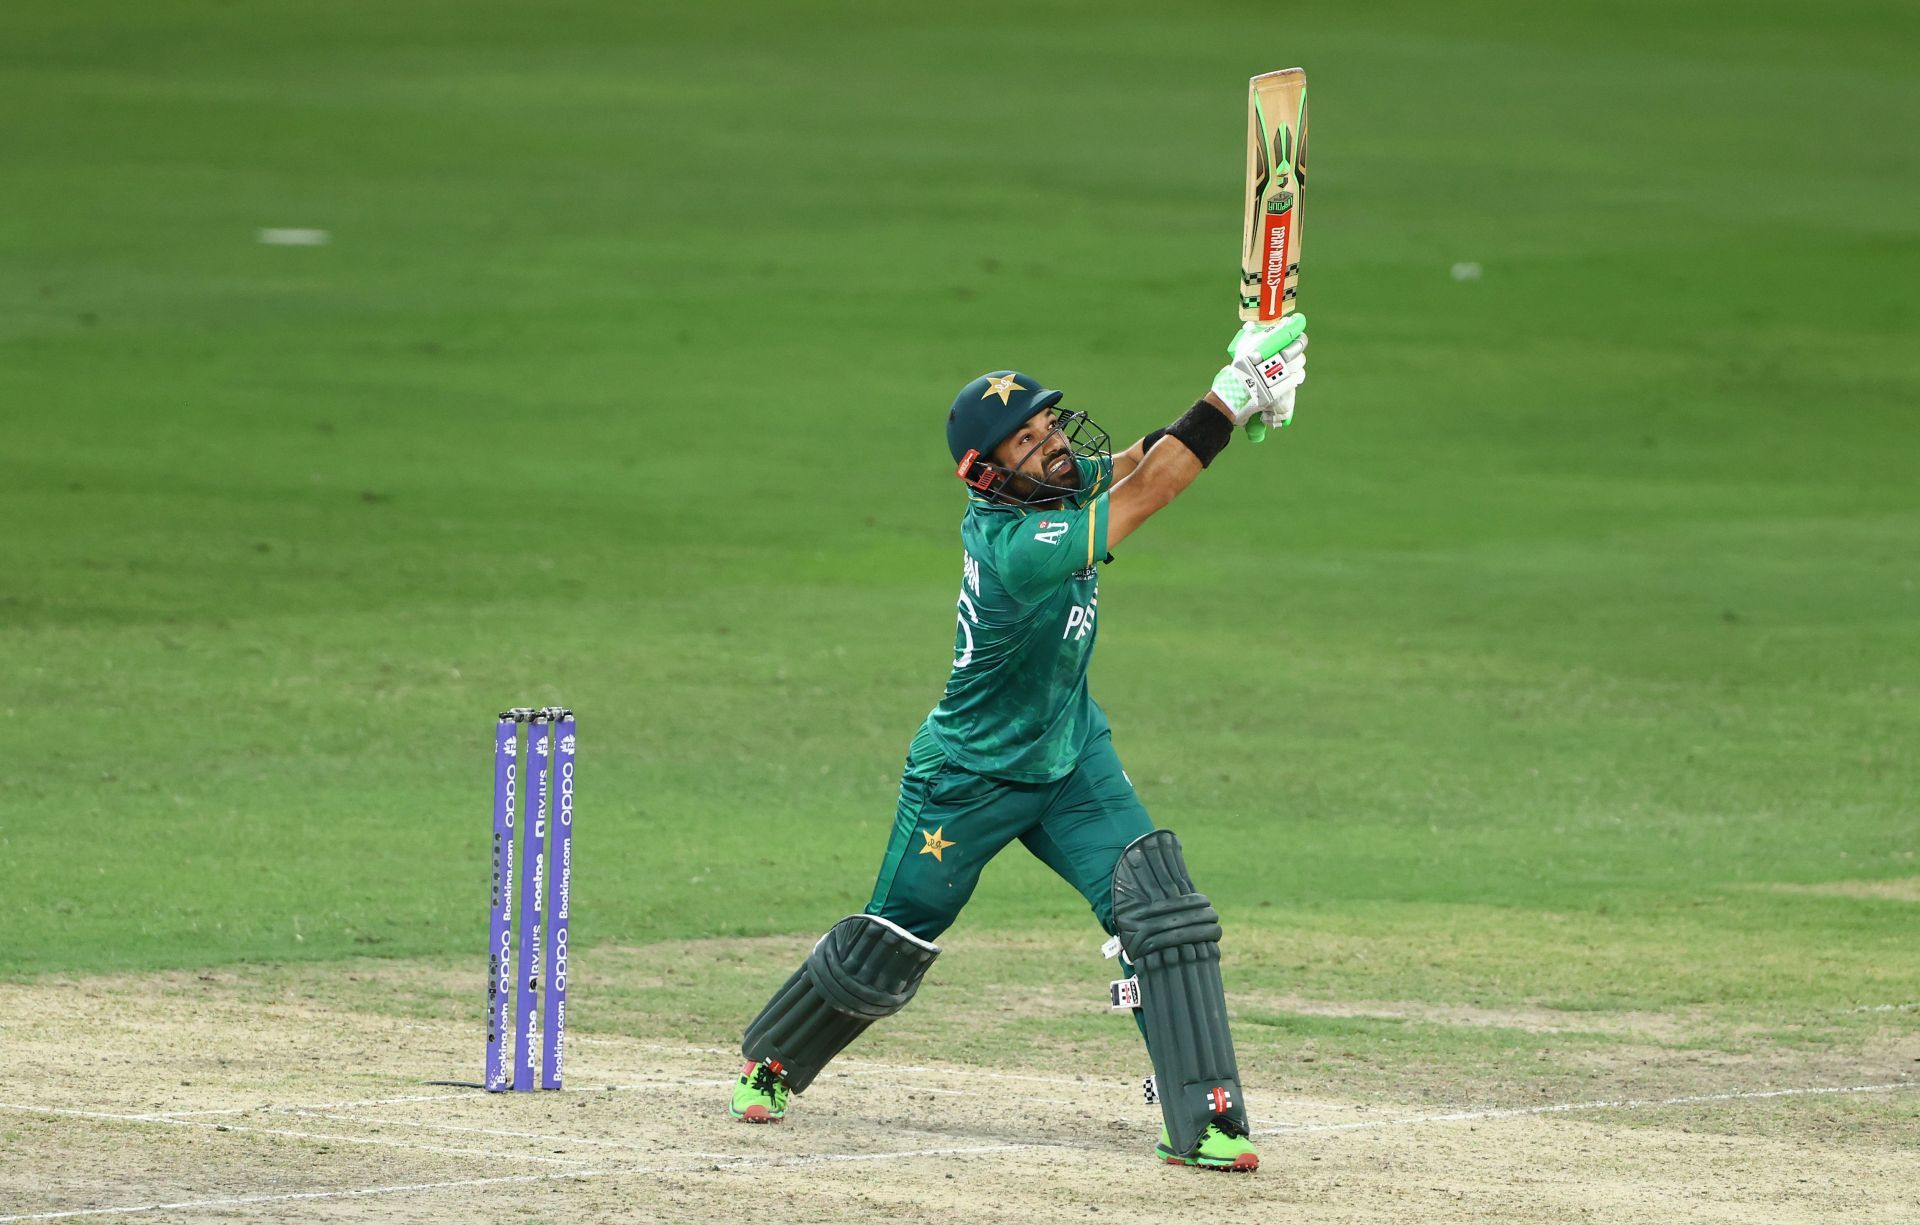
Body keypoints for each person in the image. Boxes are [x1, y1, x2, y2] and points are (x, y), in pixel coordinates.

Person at [725, 318, 1310, 1172]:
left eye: (1049, 428)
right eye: (1030, 442)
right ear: (989, 473)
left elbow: (1137, 461)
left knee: (1163, 911)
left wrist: (1248, 396)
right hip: (968, 774)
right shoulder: (1014, 545)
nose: (1056, 448)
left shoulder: (1052, 489)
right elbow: (1147, 496)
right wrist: (1228, 395)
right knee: (897, 932)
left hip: (1072, 755)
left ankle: (1206, 1120)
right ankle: (772, 1059)